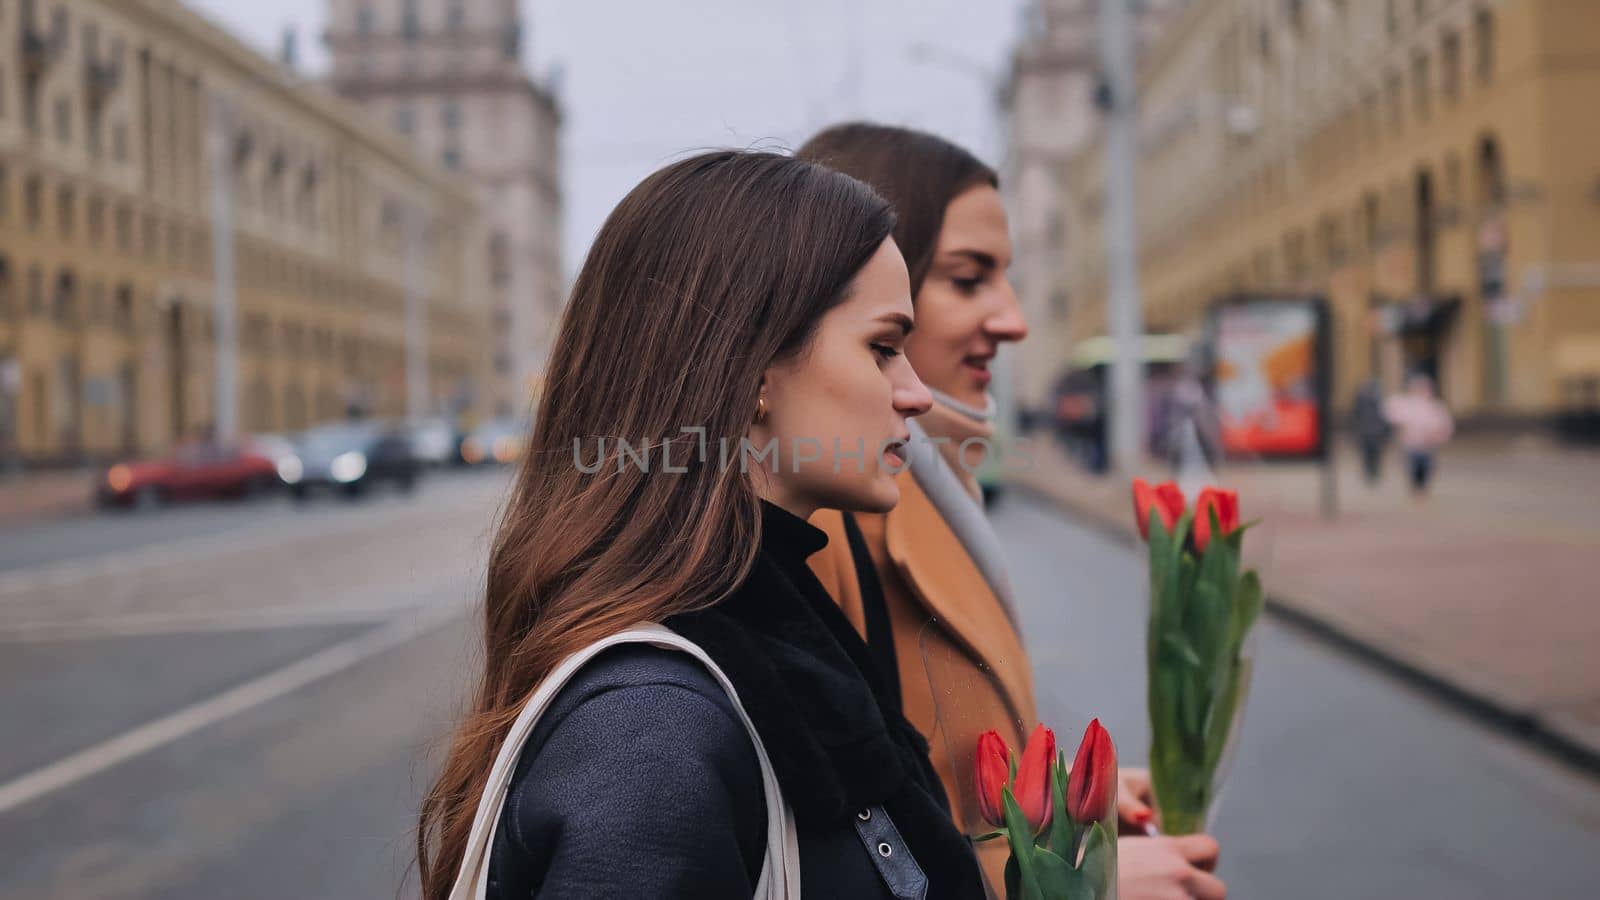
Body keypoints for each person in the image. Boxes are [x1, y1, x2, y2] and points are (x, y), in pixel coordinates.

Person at [417, 151, 989, 899]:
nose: (915, 393)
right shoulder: (650, 727)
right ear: (752, 373)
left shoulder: (771, 637)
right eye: (882, 348)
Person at [798, 124, 1227, 900]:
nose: (1014, 318)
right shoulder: (823, 519)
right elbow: (836, 850)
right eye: (970, 280)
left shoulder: (931, 486)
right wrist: (1074, 888)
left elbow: (942, 786)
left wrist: (1064, 828)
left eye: (1006, 277)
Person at [1384, 371, 1454, 498]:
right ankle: (1416, 487)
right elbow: (1392, 415)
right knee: (1413, 465)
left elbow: (1443, 423)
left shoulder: (1434, 405)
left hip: (1427, 443)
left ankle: (1422, 487)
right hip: (1410, 442)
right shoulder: (1406, 403)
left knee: (1426, 466)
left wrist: (1439, 435)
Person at [1352, 377, 1390, 486]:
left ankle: (1371, 472)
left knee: (1371, 453)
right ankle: (1372, 472)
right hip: (1371, 431)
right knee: (1371, 453)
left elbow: (1356, 415)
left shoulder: (1364, 399)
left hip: (1370, 431)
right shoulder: (1375, 400)